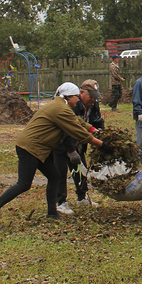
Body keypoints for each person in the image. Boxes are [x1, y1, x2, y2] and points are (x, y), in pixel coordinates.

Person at [0, 82, 106, 230]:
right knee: (23, 184)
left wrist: (94, 130)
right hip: (30, 148)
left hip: (41, 148)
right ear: (68, 96)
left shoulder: (60, 106)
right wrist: (103, 145)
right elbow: (78, 132)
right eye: (76, 97)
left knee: (54, 176)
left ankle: (52, 213)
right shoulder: (60, 109)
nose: (78, 100)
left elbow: (78, 121)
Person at [53, 79, 105, 215]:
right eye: (91, 95)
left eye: (95, 95)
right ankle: (61, 202)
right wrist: (71, 150)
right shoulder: (72, 105)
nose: (93, 99)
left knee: (81, 170)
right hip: (62, 143)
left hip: (80, 142)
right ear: (81, 92)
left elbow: (97, 120)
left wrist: (101, 133)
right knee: (61, 172)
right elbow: (67, 129)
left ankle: (82, 197)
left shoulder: (94, 104)